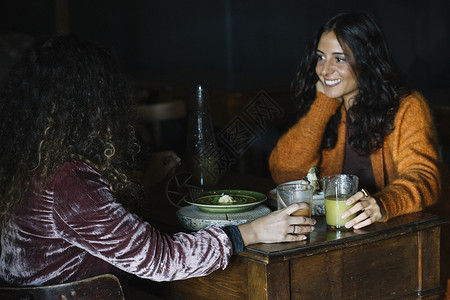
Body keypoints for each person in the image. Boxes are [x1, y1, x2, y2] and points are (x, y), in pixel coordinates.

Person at [0, 34, 316, 287]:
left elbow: (83, 222)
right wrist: (251, 232)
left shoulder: (31, 164)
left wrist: (143, 182)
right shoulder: (68, 181)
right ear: (92, 103)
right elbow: (161, 260)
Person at [269, 11, 446, 230]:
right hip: (341, 234)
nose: (324, 70)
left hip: (403, 235)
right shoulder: (329, 106)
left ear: (367, 62)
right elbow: (284, 172)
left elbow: (426, 178)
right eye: (321, 57)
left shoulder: (408, 107)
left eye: (339, 59)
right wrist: (323, 104)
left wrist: (383, 204)